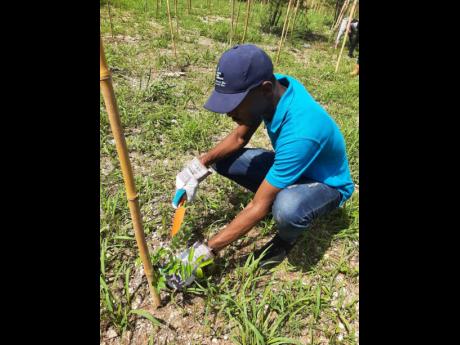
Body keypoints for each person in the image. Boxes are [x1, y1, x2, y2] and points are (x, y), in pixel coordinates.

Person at [169, 44, 354, 288]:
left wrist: (205, 251)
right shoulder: (274, 89)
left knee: (287, 208)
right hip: (294, 163)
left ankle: (285, 241)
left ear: (265, 90)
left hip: (325, 184)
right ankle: (278, 189)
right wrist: (200, 164)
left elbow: (258, 205)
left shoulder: (301, 132)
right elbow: (238, 138)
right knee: (222, 161)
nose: (230, 113)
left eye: (235, 104)